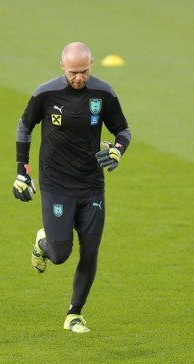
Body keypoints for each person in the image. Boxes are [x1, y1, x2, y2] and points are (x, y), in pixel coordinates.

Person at [12, 42, 131, 333]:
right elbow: (24, 127)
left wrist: (117, 150)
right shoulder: (46, 93)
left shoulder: (103, 93)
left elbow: (122, 130)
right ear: (63, 67)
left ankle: (74, 314)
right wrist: (22, 172)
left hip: (91, 185)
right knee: (60, 254)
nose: (79, 78)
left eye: (84, 71)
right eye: (74, 72)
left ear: (92, 65)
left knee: (90, 251)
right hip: (56, 184)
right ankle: (44, 243)